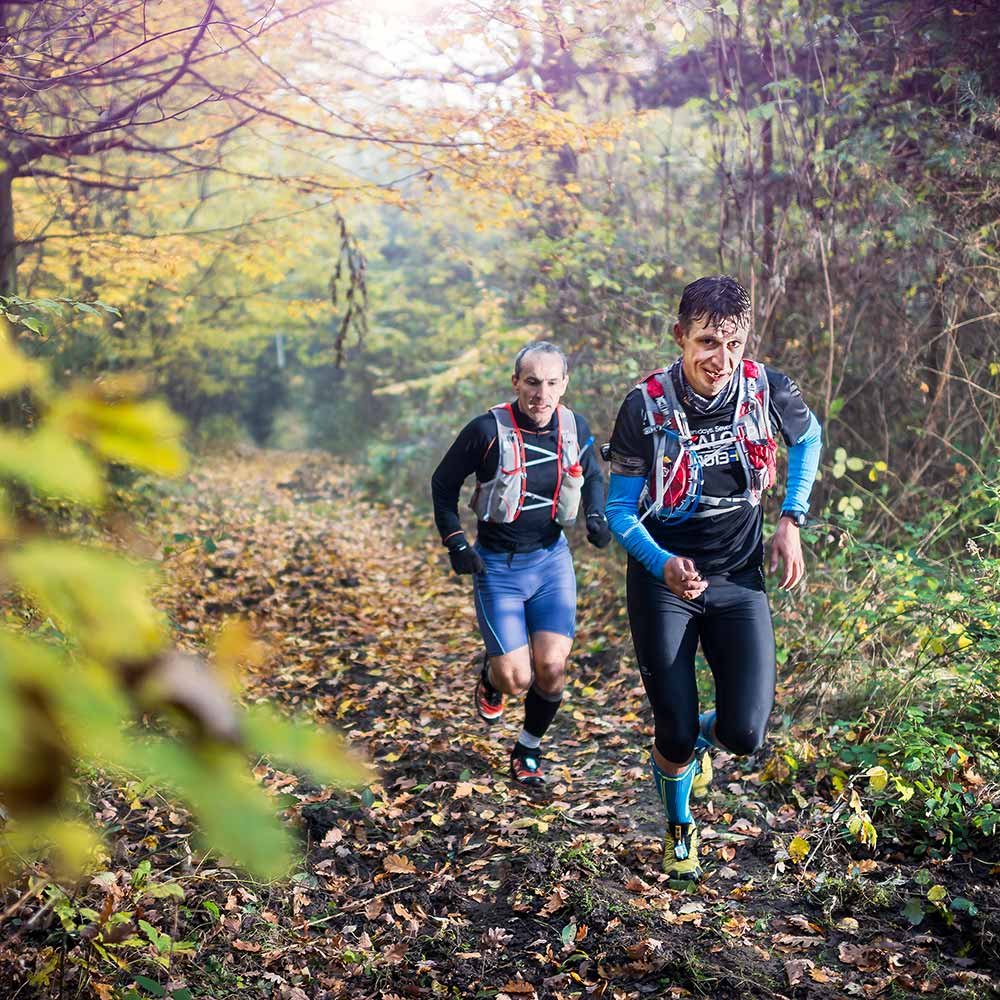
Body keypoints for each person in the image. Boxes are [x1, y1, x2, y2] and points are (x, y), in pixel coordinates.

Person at [604, 275, 822, 880]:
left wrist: (791, 519)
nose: (719, 359)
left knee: (745, 734)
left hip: (737, 575)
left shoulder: (765, 389)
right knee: (671, 727)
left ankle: (701, 742)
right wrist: (663, 565)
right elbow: (617, 511)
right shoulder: (643, 405)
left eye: (730, 342)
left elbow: (809, 440)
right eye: (705, 342)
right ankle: (679, 825)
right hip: (662, 579)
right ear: (679, 337)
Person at [431, 341, 611, 786]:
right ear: (516, 383)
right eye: (532, 382)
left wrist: (596, 515)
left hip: (551, 561)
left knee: (552, 668)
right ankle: (493, 677)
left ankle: (528, 749)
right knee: (516, 679)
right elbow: (443, 484)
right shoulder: (485, 430)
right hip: (497, 565)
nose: (541, 393)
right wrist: (457, 544)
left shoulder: (574, 427)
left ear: (564, 384)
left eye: (551, 383)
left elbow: (593, 475)